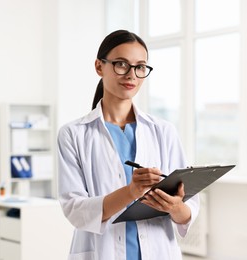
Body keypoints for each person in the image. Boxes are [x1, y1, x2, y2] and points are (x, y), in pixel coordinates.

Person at [57, 30, 200, 260]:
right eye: (121, 64)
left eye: (140, 66)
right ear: (99, 66)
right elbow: (75, 210)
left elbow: (188, 211)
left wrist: (175, 207)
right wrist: (131, 192)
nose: (131, 74)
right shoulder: (73, 134)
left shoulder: (163, 131)